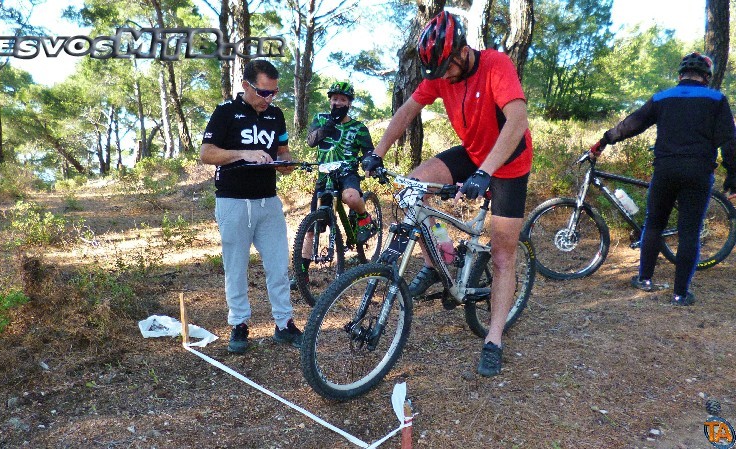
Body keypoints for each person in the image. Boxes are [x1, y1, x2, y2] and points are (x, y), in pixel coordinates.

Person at [361, 11, 533, 377]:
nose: (441, 79)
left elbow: (517, 121)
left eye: (445, 70)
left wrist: (487, 172)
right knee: (411, 190)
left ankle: (494, 338)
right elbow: (407, 111)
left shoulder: (495, 64)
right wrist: (378, 152)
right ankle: (441, 259)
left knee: (502, 256)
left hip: (508, 163)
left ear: (460, 53)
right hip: (473, 153)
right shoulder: (441, 74)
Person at [588, 52, 736, 306]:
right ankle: (680, 294)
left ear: (680, 75)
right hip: (698, 172)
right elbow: (729, 142)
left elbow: (631, 125)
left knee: (654, 223)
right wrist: (733, 175)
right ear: (706, 77)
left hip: (665, 169)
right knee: (689, 230)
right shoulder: (717, 99)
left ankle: (644, 278)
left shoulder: (663, 98)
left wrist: (604, 140)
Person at [199, 59, 303, 354]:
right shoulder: (225, 113)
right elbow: (206, 153)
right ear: (246, 86)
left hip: (268, 201)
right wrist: (245, 154)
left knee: (279, 266)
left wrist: (286, 163)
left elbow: (282, 150)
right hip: (233, 200)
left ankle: (284, 324)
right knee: (236, 267)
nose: (269, 99)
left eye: (274, 93)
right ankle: (240, 324)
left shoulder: (276, 116)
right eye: (263, 92)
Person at [293, 81, 376, 288]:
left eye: (343, 100)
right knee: (311, 227)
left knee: (351, 198)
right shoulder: (320, 118)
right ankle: (301, 275)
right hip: (324, 176)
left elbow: (368, 151)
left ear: (349, 103)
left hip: (347, 173)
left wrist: (368, 162)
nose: (338, 103)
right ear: (330, 100)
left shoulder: (358, 127)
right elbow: (312, 141)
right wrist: (330, 125)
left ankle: (364, 217)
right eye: (335, 99)